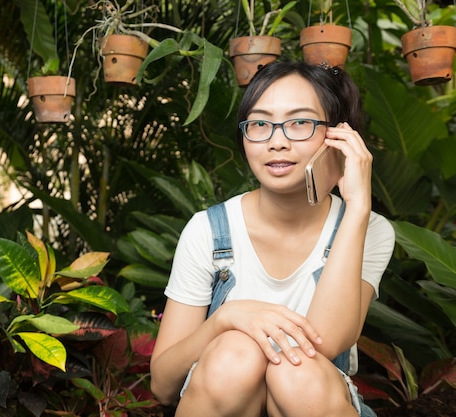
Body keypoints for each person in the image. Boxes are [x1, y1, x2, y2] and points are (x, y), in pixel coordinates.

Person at [150, 60, 395, 417]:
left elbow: (325, 342)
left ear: (338, 136)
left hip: (315, 401)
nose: (276, 142)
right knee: (235, 354)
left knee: (295, 371)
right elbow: (162, 385)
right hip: (220, 398)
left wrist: (358, 208)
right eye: (260, 124)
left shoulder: (369, 228)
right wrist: (226, 318)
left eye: (300, 123)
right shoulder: (208, 230)